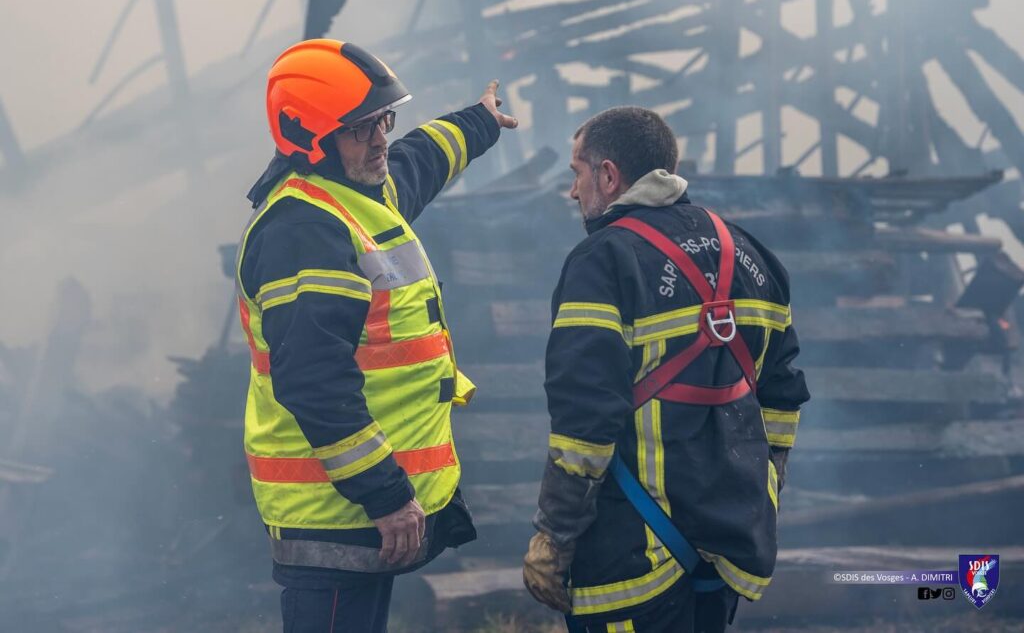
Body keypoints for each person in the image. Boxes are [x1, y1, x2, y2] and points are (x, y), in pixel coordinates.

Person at [236, 38, 517, 632]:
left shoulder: (356, 195)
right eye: (362, 128)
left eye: (384, 119)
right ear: (310, 138)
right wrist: (387, 496)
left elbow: (420, 159)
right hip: (334, 516)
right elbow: (314, 383)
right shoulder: (303, 231)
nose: (382, 137)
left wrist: (480, 122)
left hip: (358, 516)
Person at [523, 106, 809, 632]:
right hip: (727, 547)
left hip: (630, 555)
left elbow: (584, 421)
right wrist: (762, 487)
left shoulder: (603, 261)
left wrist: (555, 535)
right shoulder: (747, 251)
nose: (573, 191)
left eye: (577, 173)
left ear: (608, 176)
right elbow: (783, 392)